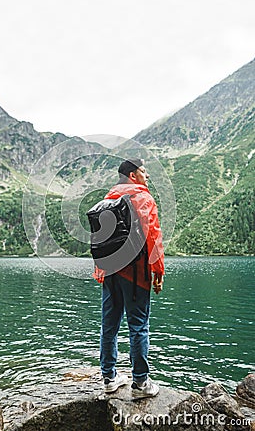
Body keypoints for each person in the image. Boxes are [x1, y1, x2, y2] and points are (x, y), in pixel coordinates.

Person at [93, 158, 165, 397]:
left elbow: (100, 239)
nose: (147, 176)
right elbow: (153, 236)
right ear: (133, 175)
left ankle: (109, 378)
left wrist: (101, 270)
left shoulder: (108, 199)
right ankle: (141, 383)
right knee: (139, 326)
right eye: (144, 171)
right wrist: (158, 271)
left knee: (109, 326)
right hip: (136, 273)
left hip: (111, 271)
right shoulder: (143, 198)